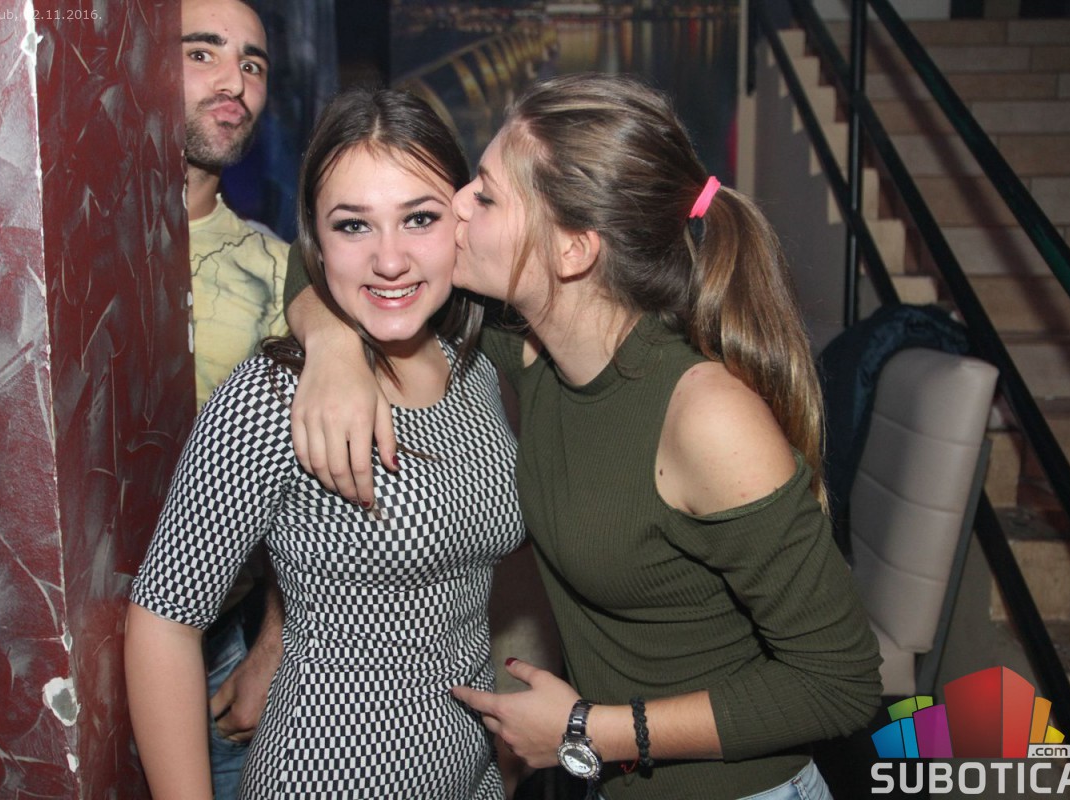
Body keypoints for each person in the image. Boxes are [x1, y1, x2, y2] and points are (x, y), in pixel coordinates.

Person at [281, 73, 883, 799]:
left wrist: (591, 732)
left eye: (486, 196)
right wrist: (331, 347)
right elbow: (320, 254)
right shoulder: (534, 356)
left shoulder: (705, 416)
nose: (456, 204)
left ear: (572, 251)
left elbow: (841, 683)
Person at [125, 86, 525, 800]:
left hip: (472, 777)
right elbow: (163, 619)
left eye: (419, 218)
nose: (390, 259)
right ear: (314, 237)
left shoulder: (479, 373)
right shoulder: (272, 394)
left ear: (461, 220)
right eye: (353, 225)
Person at [170, 0, 294, 795]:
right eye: (203, 53)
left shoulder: (276, 271)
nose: (235, 82)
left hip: (217, 638)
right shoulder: (56, 246)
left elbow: (305, 484)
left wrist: (270, 648)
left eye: (252, 64)